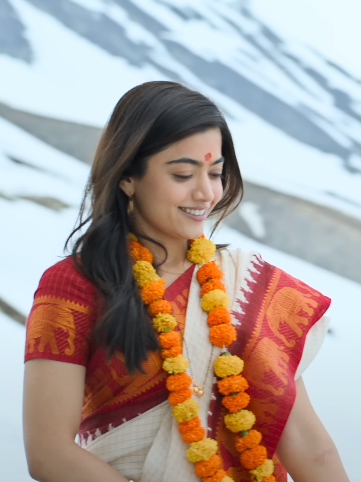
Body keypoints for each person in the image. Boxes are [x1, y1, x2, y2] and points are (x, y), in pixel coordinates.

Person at [23, 81, 349, 482]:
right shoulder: (75, 286)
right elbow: (48, 453)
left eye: (216, 173)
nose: (206, 192)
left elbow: (307, 443)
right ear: (127, 176)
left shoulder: (248, 284)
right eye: (183, 174)